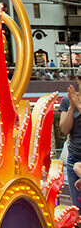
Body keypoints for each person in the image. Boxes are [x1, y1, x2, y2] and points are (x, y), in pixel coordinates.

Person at [59, 68, 81, 204]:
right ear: (78, 80)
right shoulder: (67, 101)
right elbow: (64, 129)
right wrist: (72, 108)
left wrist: (78, 105)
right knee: (77, 208)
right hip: (75, 157)